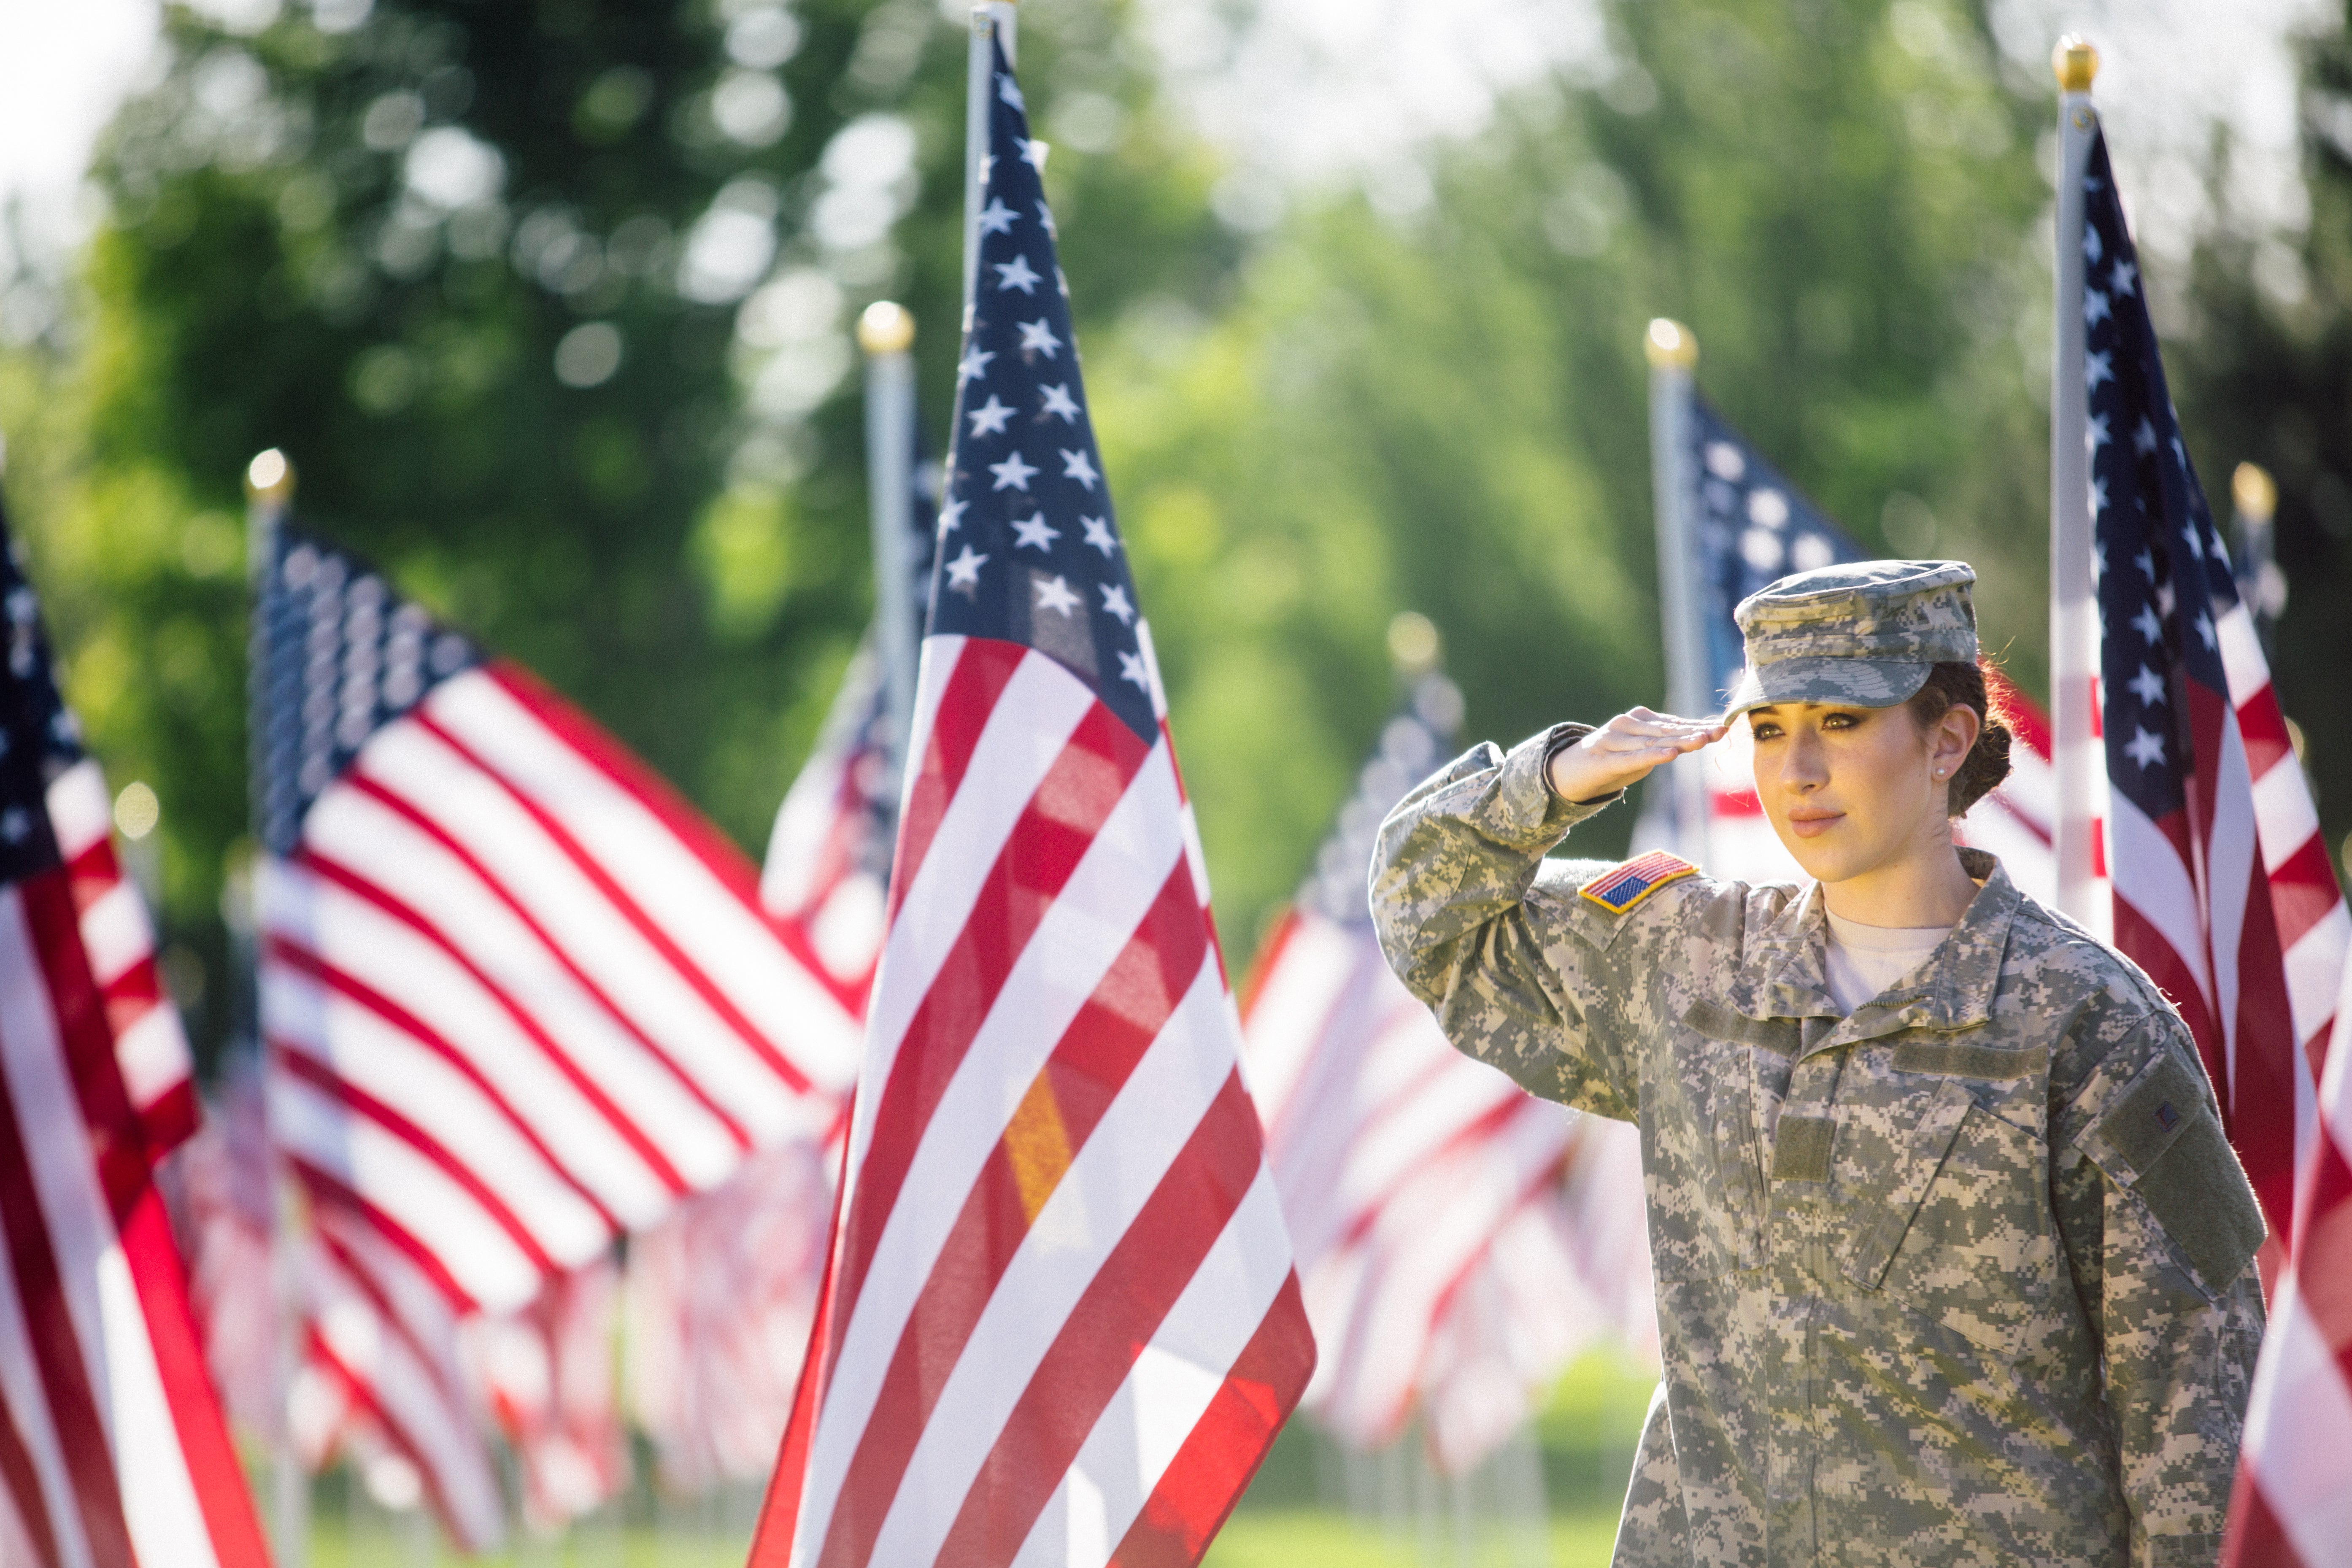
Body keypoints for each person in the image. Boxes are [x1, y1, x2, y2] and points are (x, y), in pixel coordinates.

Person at [1370, 560, 2264, 1568]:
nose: (1796, 769)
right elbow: (1426, 915)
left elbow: (2193, 1395)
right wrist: (1553, 779)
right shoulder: (1684, 960)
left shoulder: (2087, 1018)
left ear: (1949, 740)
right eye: (1766, 727)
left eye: (1839, 721)